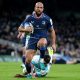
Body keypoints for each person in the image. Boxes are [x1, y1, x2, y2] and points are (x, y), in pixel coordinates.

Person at [18, 2, 56, 78]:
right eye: (38, 7)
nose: (39, 9)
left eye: (41, 7)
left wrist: (53, 43)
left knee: (43, 42)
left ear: (43, 9)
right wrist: (26, 30)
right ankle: (29, 75)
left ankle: (42, 61)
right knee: (27, 61)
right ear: (35, 8)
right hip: (32, 40)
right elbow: (19, 28)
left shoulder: (47, 19)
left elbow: (52, 31)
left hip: (42, 39)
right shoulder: (29, 18)